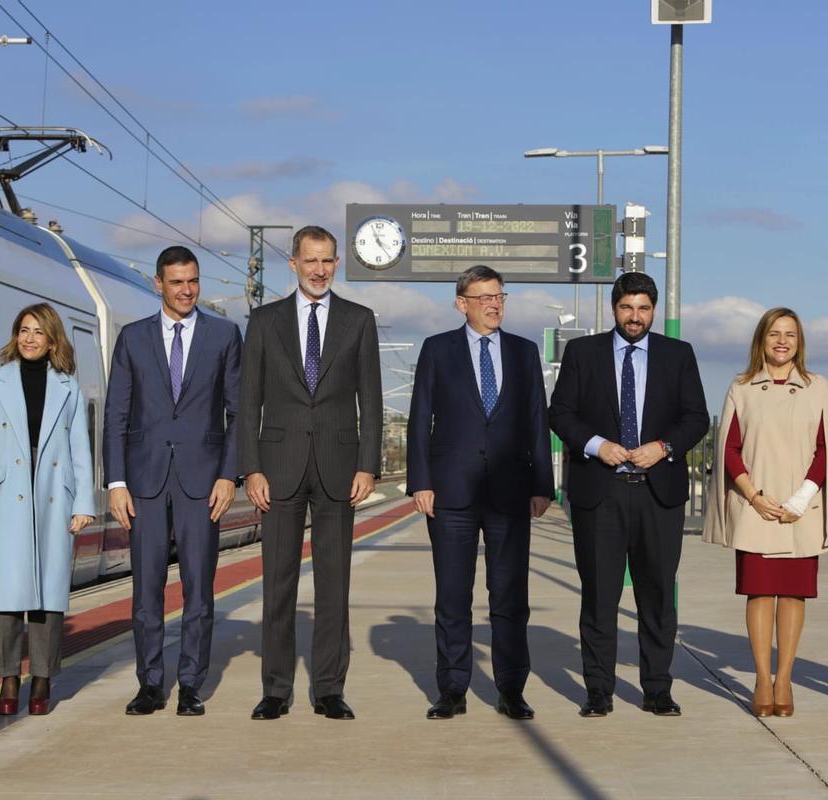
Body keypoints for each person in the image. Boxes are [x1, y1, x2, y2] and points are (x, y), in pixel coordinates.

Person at [238, 225, 382, 721]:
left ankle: (328, 689)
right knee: (277, 582)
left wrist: (369, 465)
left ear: (336, 263)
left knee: (333, 585)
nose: (319, 270)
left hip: (339, 468)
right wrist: (250, 469)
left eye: (328, 262)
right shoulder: (264, 321)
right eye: (311, 261)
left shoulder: (359, 320)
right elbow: (247, 400)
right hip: (277, 469)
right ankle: (275, 689)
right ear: (293, 263)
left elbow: (372, 399)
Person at [548, 271, 708, 718]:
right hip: (600, 494)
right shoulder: (583, 353)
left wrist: (664, 447)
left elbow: (696, 417)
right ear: (614, 307)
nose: (634, 317)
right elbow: (560, 412)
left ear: (653, 311)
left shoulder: (678, 355)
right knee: (599, 596)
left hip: (659, 494)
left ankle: (657, 688)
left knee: (657, 596)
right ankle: (598, 690)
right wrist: (599, 445)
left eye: (643, 309)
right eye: (626, 308)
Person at [406, 265, 555, 721]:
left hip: (511, 492)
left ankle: (512, 688)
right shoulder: (437, 350)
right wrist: (421, 481)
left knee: (510, 596)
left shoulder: (524, 352)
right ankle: (452, 688)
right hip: (451, 492)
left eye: (500, 296)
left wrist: (542, 485)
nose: (495, 304)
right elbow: (420, 418)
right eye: (485, 296)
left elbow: (536, 420)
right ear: (461, 303)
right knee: (453, 595)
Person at [103, 246, 242, 717]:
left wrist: (229, 476)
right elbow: (116, 414)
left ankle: (190, 684)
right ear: (158, 284)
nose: (186, 290)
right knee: (146, 591)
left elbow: (238, 413)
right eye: (177, 282)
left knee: (199, 590)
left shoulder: (224, 335)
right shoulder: (132, 338)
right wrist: (115, 481)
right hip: (144, 481)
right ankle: (150, 684)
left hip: (203, 483)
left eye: (193, 281)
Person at [702, 308, 828, 717]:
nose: (782, 341)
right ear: (761, 340)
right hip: (756, 506)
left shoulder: (818, 386)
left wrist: (801, 498)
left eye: (791, 335)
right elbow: (728, 448)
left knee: (795, 594)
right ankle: (762, 678)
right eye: (774, 334)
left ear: (800, 343)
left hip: (801, 508)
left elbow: (827, 449)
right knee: (760, 592)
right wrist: (754, 495)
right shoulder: (742, 387)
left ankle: (785, 678)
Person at [0, 304, 95, 715]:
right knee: (5, 594)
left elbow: (80, 446)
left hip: (54, 495)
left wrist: (83, 503)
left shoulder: (68, 387)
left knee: (48, 594)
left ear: (53, 339)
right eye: (23, 330)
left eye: (39, 332)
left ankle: (42, 676)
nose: (29, 338)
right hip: (7, 496)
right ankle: (7, 677)